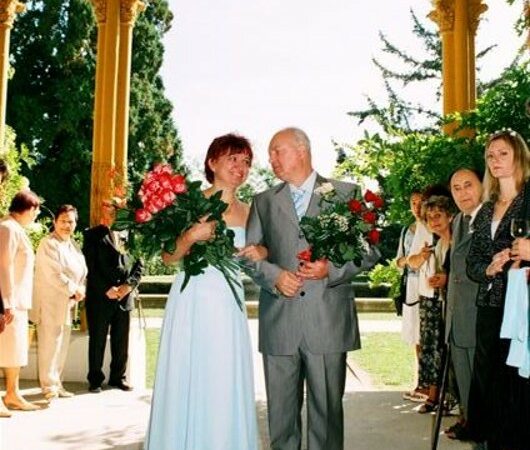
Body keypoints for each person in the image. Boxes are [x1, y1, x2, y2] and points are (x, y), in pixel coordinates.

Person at [246, 127, 380, 450]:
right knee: (281, 417)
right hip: (280, 322)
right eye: (271, 154)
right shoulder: (263, 202)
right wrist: (275, 277)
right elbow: (250, 256)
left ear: (302, 150)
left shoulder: (346, 194)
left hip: (328, 323)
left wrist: (330, 270)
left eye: (278, 151)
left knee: (327, 415)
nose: (272, 159)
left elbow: (370, 251)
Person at [145, 133, 266, 450]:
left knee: (223, 378)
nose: (240, 167)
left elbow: (264, 255)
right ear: (212, 162)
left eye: (246, 162)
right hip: (192, 300)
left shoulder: (251, 212)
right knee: (188, 375)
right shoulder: (188, 201)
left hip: (229, 305)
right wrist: (190, 237)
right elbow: (168, 256)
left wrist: (261, 253)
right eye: (232, 159)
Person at [466, 130, 530, 450]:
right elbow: (472, 263)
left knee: (516, 383)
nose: (495, 161)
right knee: (488, 381)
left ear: (519, 155)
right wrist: (488, 268)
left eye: (503, 154)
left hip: (521, 306)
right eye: (490, 156)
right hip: (490, 304)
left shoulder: (529, 200)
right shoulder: (487, 208)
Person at [83, 201, 144, 393]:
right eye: (107, 210)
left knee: (121, 341)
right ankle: (95, 379)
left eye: (114, 210)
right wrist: (106, 288)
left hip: (124, 298)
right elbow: (89, 267)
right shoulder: (92, 235)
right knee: (97, 340)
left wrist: (129, 286)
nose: (109, 214)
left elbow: (140, 265)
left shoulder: (133, 237)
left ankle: (118, 378)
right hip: (100, 297)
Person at [30, 205, 87, 400]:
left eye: (70, 221)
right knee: (49, 344)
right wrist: (74, 289)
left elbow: (82, 273)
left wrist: (82, 289)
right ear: (55, 222)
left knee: (61, 344)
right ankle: (48, 386)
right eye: (63, 221)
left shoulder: (73, 245)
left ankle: (57, 383)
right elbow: (54, 274)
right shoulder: (49, 244)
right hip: (50, 302)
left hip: (68, 304)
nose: (66, 225)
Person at [443, 168, 483, 439]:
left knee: (485, 402)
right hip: (457, 323)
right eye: (456, 188)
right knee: (468, 400)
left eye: (468, 185)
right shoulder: (457, 220)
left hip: (481, 322)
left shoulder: (494, 218)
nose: (462, 193)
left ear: (483, 185)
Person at [408, 194, 455, 413]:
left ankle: (452, 399)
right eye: (430, 218)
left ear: (450, 216)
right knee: (431, 348)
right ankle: (434, 396)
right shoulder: (435, 246)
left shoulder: (456, 243)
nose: (434, 221)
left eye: (438, 215)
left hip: (450, 305)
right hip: (432, 299)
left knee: (445, 351)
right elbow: (408, 262)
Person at [0, 190, 41, 415]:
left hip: (18, 301)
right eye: (36, 210)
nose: (36, 215)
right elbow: (3, 266)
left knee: (14, 350)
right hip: (8, 301)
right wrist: (7, 302)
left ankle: (12, 393)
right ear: (28, 208)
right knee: (2, 349)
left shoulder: (16, 229)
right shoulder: (7, 228)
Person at [396, 190, 429, 402]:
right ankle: (420, 382)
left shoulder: (431, 227)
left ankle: (429, 385)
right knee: (415, 336)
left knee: (426, 336)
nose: (416, 207)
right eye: (413, 203)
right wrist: (411, 259)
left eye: (420, 203)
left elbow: (421, 261)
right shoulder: (406, 231)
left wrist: (413, 260)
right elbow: (400, 261)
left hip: (426, 285)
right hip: (410, 285)